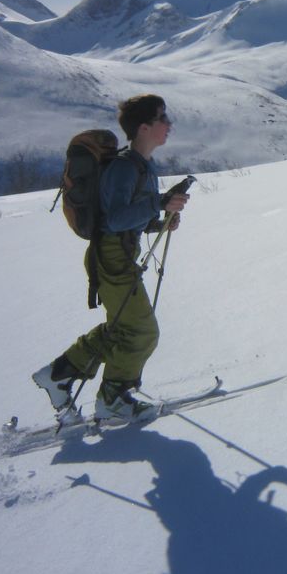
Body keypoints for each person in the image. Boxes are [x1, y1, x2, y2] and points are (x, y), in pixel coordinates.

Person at [33, 94, 189, 423]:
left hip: (119, 253)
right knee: (142, 332)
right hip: (112, 256)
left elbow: (128, 217)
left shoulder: (143, 167)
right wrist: (159, 203)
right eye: (162, 118)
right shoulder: (123, 168)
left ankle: (58, 374)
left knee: (122, 328)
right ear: (144, 128)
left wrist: (160, 221)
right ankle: (113, 398)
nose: (168, 124)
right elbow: (115, 219)